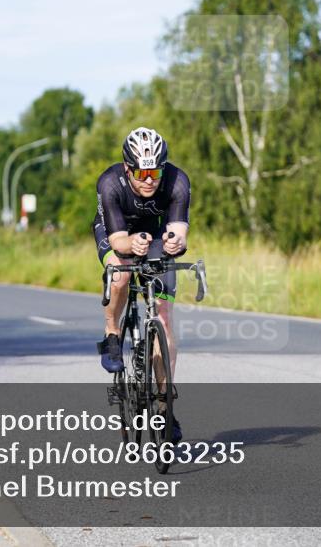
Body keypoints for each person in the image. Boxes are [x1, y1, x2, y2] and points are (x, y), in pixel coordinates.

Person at [93, 127, 190, 442]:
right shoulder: (110, 183)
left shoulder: (177, 181)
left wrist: (175, 243)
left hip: (154, 236)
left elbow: (178, 229)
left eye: (156, 171)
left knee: (163, 317)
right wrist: (129, 243)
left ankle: (165, 405)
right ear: (127, 168)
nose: (149, 179)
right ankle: (111, 335)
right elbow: (119, 239)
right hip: (116, 232)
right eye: (142, 172)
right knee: (120, 273)